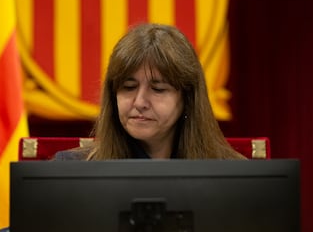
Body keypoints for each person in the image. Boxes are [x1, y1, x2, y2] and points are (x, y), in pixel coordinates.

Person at [55, 23, 245, 160]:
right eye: (128, 88)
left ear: (187, 98)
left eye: (158, 89)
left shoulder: (232, 172)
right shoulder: (69, 171)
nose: (139, 102)